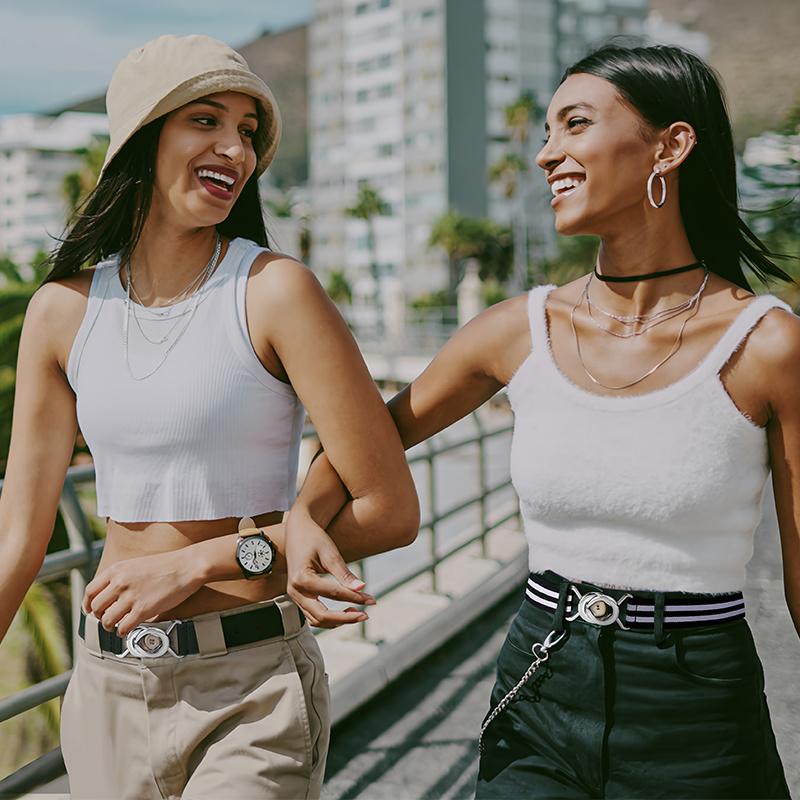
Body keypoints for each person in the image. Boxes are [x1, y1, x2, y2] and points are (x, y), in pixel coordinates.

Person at [286, 43, 798, 799]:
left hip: (694, 706)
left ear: (671, 145)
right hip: (539, 676)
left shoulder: (768, 345)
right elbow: (370, 437)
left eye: (574, 125)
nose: (545, 154)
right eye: (547, 131)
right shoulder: (514, 330)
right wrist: (304, 514)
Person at [0, 34, 418, 800]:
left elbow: (389, 509)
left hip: (250, 689)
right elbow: (18, 539)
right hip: (107, 688)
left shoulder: (274, 292)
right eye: (206, 120)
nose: (236, 146)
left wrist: (199, 563)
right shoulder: (60, 312)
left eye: (249, 132)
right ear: (142, 136)